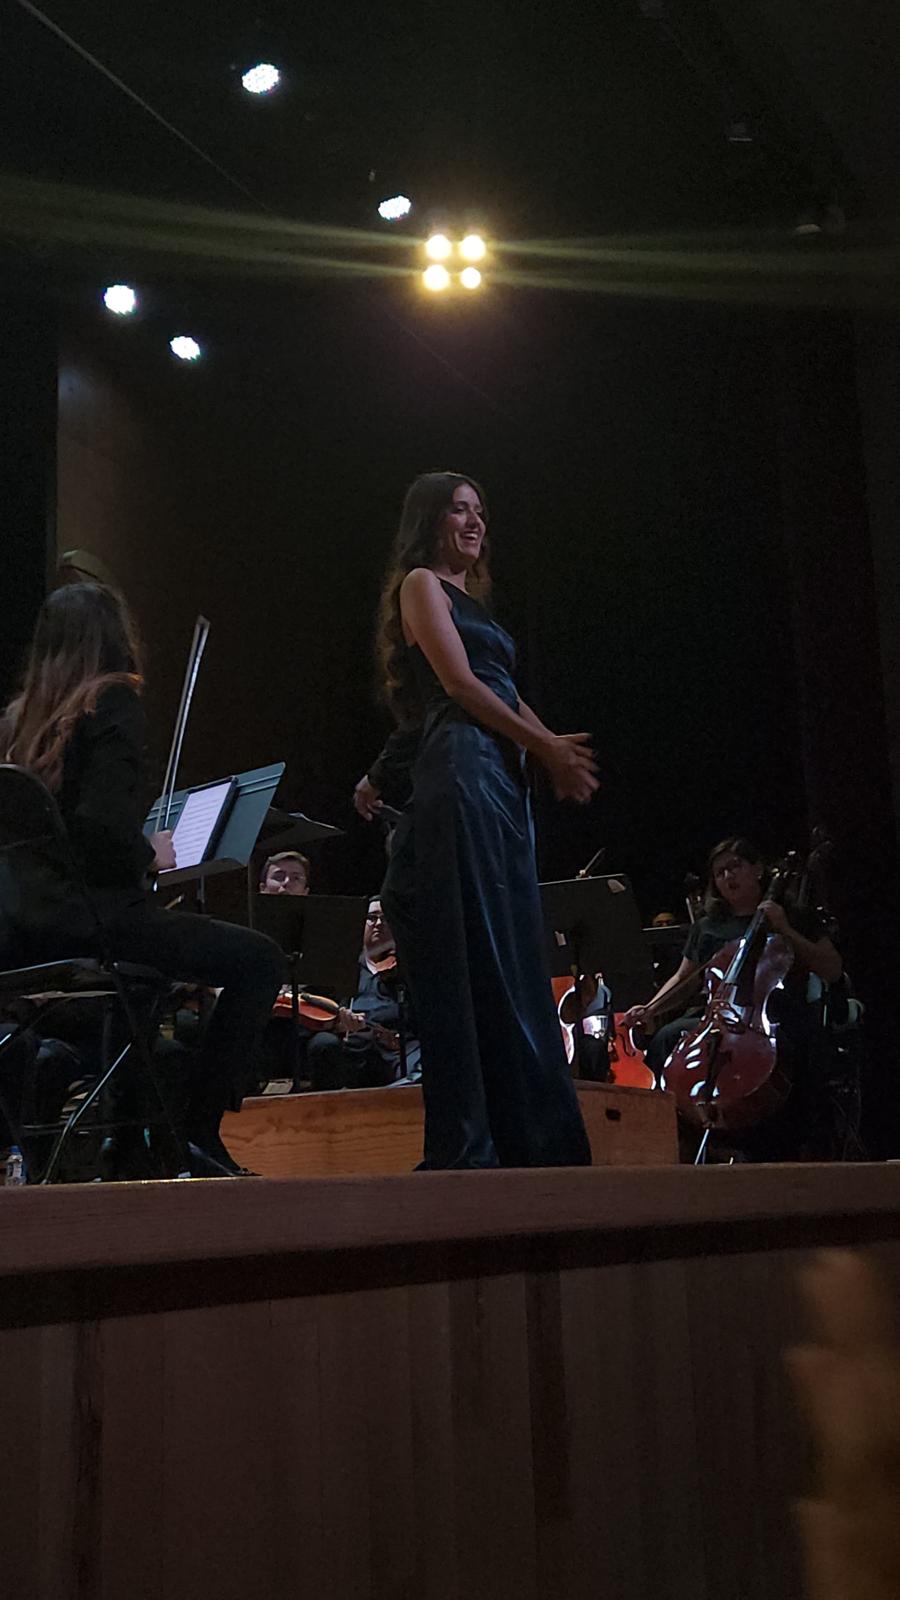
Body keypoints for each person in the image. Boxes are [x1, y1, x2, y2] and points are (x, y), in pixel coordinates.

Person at [0, 583, 286, 1177]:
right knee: (259, 960)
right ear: (114, 638)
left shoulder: (17, 725)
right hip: (95, 924)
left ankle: (128, 1145)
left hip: (22, 933)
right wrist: (148, 851)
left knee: (145, 985)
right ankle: (197, 1132)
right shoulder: (112, 703)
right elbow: (103, 828)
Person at [369, 470, 598, 1169]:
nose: (473, 523)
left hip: (500, 780)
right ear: (430, 521)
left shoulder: (477, 603)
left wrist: (553, 750)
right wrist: (546, 748)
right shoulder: (421, 585)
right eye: (457, 511)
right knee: (469, 949)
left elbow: (504, 691)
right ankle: (470, 1141)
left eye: (479, 512)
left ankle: (526, 1135)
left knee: (509, 951)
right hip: (462, 770)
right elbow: (461, 685)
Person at [620, 836, 844, 1159]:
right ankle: (681, 1136)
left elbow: (832, 969)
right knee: (666, 1038)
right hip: (718, 1016)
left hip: (774, 1015)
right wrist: (651, 1008)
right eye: (720, 872)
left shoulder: (794, 917)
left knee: (796, 1044)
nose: (728, 876)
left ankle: (789, 1145)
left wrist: (785, 929)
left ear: (758, 870)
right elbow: (684, 979)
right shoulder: (709, 927)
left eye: (735, 867)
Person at [306, 896, 421, 1090]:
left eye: (385, 918)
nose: (378, 924)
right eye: (372, 918)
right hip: (352, 1048)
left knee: (425, 1065)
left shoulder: (408, 967)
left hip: (396, 1049)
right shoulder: (344, 965)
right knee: (322, 1044)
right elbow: (318, 1006)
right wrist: (338, 1022)